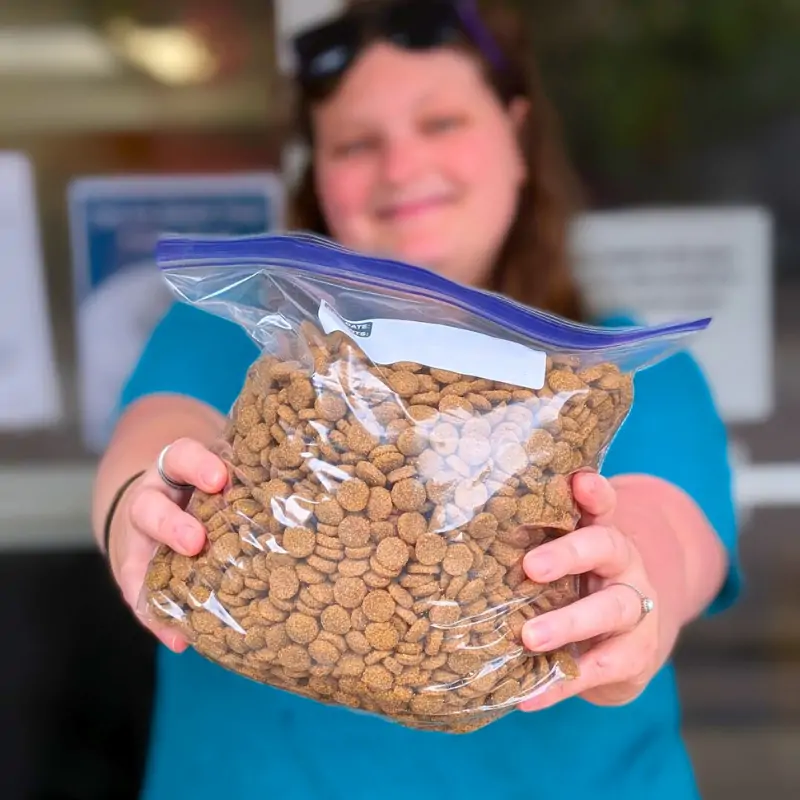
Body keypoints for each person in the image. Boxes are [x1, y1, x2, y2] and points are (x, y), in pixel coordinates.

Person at [92, 1, 740, 798]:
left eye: (441, 123)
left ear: (518, 138)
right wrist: (139, 501)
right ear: (317, 177)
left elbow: (667, 534)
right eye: (357, 144)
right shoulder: (232, 343)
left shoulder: (611, 378)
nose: (400, 168)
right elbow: (151, 443)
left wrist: (625, 604)